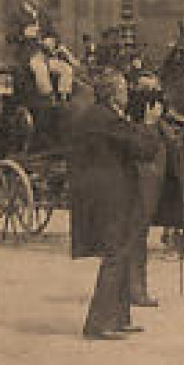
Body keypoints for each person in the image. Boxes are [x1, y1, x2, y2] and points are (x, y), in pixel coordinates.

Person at [69, 68, 163, 340]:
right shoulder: (106, 120)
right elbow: (143, 150)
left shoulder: (102, 116)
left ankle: (120, 318)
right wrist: (150, 124)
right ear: (111, 93)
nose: (127, 92)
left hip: (109, 195)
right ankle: (97, 323)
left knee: (123, 251)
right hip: (110, 198)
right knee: (115, 255)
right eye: (122, 88)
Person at [9, 0, 75, 100]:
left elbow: (55, 35)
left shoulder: (44, 16)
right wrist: (23, 34)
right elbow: (9, 37)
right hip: (27, 57)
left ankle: (63, 98)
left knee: (66, 69)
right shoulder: (17, 15)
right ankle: (48, 98)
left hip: (46, 56)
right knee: (40, 69)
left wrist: (52, 41)